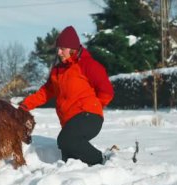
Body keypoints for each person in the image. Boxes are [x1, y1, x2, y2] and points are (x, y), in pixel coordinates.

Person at [19, 25, 114, 165]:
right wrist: (25, 105)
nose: (59, 52)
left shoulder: (88, 65)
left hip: (89, 117)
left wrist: (95, 106)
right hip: (70, 122)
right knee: (69, 159)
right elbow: (45, 92)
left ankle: (100, 160)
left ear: (72, 48)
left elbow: (107, 91)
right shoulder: (58, 71)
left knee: (66, 140)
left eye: (62, 49)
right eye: (58, 49)